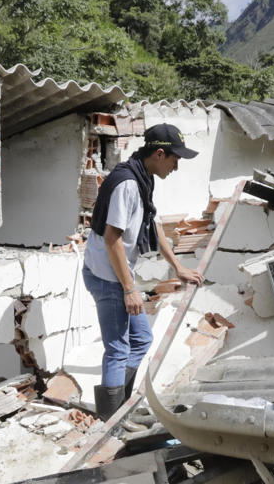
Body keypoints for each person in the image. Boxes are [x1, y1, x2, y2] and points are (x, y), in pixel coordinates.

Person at [83, 123, 202, 416]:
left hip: (116, 273)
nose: (176, 167)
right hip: (106, 275)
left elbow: (154, 224)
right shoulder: (127, 184)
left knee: (142, 339)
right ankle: (110, 422)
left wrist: (178, 267)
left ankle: (119, 408)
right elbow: (112, 240)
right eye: (175, 160)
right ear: (160, 154)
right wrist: (130, 289)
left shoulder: (143, 177)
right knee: (118, 350)